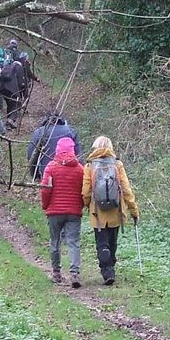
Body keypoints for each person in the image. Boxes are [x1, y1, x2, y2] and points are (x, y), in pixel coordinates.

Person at [80, 135, 139, 286]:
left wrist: (87, 204)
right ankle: (111, 266)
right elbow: (126, 189)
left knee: (102, 242)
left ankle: (107, 270)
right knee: (112, 241)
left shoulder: (89, 166)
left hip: (97, 212)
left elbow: (86, 191)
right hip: (116, 211)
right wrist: (133, 209)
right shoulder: (117, 165)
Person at [40, 136, 85, 287]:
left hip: (54, 211)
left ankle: (56, 273)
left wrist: (45, 205)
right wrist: (81, 205)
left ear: (57, 149)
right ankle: (74, 273)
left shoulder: (51, 167)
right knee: (73, 242)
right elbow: (84, 191)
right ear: (73, 150)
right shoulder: (80, 169)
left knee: (55, 242)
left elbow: (45, 190)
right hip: (74, 212)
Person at [27, 113, 78, 179]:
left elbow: (32, 155)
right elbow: (78, 153)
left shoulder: (39, 132)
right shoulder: (70, 131)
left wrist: (35, 175)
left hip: (47, 173)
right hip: (70, 174)